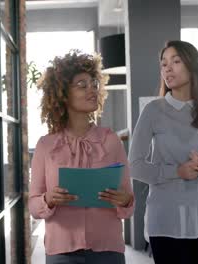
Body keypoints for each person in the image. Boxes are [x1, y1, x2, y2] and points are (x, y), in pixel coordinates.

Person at [129, 40, 198, 264]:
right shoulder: (153, 111)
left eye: (176, 61)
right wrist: (177, 172)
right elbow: (135, 166)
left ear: (193, 66)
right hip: (164, 220)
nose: (167, 69)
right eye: (163, 64)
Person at [28, 50, 135, 264]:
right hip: (62, 252)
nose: (92, 90)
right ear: (63, 94)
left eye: (94, 84)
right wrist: (48, 199)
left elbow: (128, 202)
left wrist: (124, 200)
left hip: (108, 249)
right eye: (82, 85)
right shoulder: (45, 146)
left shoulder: (111, 140)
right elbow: (33, 206)